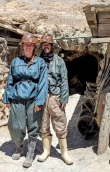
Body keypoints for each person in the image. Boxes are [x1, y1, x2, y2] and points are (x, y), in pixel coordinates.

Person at [2, 33, 48, 168]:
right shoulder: (16, 62)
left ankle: (30, 153)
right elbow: (10, 80)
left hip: (33, 99)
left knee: (33, 126)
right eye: (26, 45)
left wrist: (39, 101)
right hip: (17, 97)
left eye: (31, 45)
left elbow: (43, 83)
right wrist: (7, 98)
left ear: (34, 47)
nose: (28, 47)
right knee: (16, 126)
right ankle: (19, 147)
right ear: (22, 46)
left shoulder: (40, 63)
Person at [38, 33, 73, 165]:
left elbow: (64, 80)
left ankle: (64, 153)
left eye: (48, 44)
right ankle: (46, 151)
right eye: (44, 44)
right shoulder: (38, 61)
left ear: (52, 46)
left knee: (60, 123)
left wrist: (64, 98)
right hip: (41, 97)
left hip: (55, 97)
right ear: (41, 46)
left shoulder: (59, 61)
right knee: (43, 124)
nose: (46, 46)